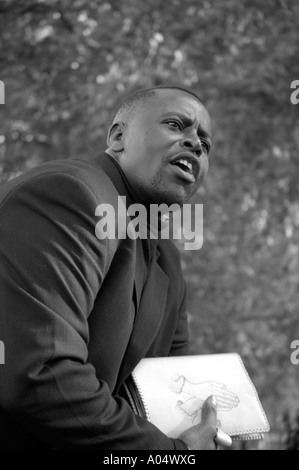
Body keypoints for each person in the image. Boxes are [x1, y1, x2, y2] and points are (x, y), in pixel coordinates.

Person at [0, 85, 231, 450]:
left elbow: (169, 387)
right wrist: (173, 454)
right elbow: (41, 376)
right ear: (118, 136)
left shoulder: (167, 258)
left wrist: (212, 424)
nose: (195, 144)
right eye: (176, 125)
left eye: (205, 142)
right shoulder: (69, 194)